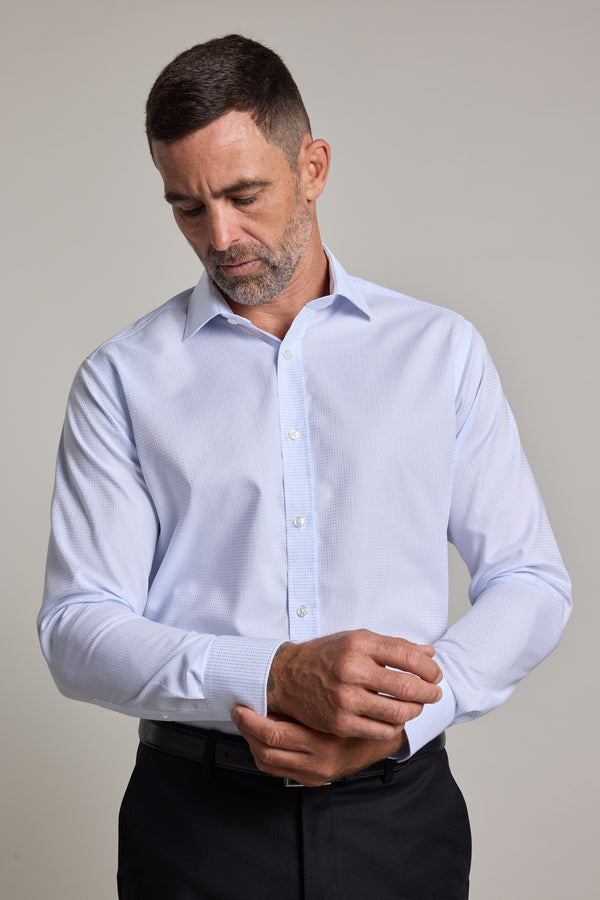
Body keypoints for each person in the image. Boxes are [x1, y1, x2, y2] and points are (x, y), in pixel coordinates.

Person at [38, 34, 571, 900]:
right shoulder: (122, 378)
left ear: (313, 166)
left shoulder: (439, 352)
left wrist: (404, 723)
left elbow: (531, 581)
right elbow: (77, 628)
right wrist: (275, 673)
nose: (220, 236)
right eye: (187, 206)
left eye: (245, 194)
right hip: (194, 828)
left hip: (400, 820)